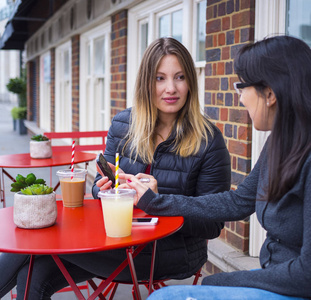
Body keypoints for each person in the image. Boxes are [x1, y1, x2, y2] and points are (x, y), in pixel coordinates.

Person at [0, 37, 231, 299]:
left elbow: (212, 223)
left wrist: (158, 201)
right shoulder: (123, 124)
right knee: (34, 270)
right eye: (159, 78)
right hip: (111, 237)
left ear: (190, 82)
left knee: (35, 246)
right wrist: (105, 188)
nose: (170, 88)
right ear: (146, 82)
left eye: (179, 77)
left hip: (169, 252)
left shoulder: (209, 140)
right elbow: (101, 191)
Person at [119, 35, 311, 299]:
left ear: (270, 93)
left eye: (242, 87)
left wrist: (233, 279)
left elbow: (307, 274)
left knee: (161, 297)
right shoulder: (281, 141)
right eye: (159, 78)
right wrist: (156, 201)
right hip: (277, 272)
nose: (241, 99)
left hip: (294, 284)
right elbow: (238, 201)